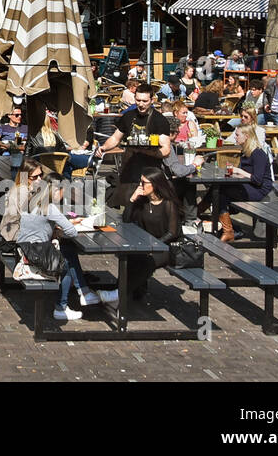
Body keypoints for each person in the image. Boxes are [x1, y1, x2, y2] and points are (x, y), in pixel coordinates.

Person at [17, 174, 101, 320]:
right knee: (65, 263)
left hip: (23, 247)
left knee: (68, 250)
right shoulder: (50, 208)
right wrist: (62, 232)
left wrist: (57, 230)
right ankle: (61, 307)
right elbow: (72, 232)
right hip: (35, 252)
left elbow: (40, 225)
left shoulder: (32, 201)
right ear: (56, 190)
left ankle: (84, 291)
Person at [94, 167, 181, 304]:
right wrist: (132, 200)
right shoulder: (143, 202)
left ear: (155, 184)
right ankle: (123, 291)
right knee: (131, 255)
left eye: (144, 183)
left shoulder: (168, 204)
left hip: (166, 247)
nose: (141, 186)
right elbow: (126, 220)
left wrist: (155, 244)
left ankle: (118, 294)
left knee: (147, 261)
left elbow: (173, 232)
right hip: (146, 244)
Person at [94, 83, 172, 204]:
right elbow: (115, 138)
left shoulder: (159, 120)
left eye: (145, 101)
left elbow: (166, 150)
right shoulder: (128, 116)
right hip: (129, 166)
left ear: (152, 100)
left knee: (146, 205)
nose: (141, 104)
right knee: (126, 203)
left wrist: (144, 151)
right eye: (138, 100)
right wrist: (104, 147)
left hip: (150, 170)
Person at [212, 124, 273, 242]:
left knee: (220, 194)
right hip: (249, 185)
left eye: (237, 135)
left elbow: (257, 180)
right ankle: (225, 229)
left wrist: (239, 171)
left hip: (259, 190)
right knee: (216, 190)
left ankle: (228, 231)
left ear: (246, 136)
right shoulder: (245, 152)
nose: (235, 137)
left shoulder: (258, 153)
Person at [0, 159, 45, 245]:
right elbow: (28, 220)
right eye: (35, 177)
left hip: (12, 233)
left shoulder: (27, 189)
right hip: (13, 238)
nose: (39, 179)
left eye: (41, 175)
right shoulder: (22, 191)